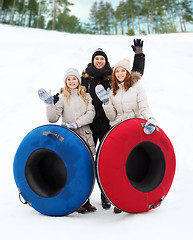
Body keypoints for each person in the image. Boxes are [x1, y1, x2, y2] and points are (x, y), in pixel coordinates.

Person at [81, 39, 145, 209]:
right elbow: (73, 91)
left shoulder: (113, 77)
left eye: (102, 58)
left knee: (108, 162)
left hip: (109, 126)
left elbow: (135, 75)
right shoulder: (85, 78)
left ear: (106, 61)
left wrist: (139, 55)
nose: (99, 61)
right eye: (97, 58)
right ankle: (84, 198)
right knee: (86, 161)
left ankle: (105, 195)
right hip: (89, 126)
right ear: (93, 60)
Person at [95, 58, 156, 213]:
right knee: (117, 167)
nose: (120, 73)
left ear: (128, 72)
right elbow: (112, 117)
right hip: (117, 131)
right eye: (117, 71)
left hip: (133, 130)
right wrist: (106, 103)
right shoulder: (113, 89)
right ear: (114, 74)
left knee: (131, 164)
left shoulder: (137, 87)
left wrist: (150, 119)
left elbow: (144, 106)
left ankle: (133, 199)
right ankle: (118, 201)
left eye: (123, 70)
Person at [38, 68, 97, 214]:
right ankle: (77, 202)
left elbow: (91, 114)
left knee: (88, 171)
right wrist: (50, 103)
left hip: (86, 137)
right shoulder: (63, 97)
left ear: (79, 80)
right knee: (73, 170)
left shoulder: (87, 96)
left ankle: (87, 201)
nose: (71, 81)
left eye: (74, 79)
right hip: (70, 139)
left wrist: (76, 124)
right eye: (69, 79)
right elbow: (52, 118)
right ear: (66, 82)